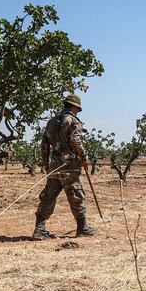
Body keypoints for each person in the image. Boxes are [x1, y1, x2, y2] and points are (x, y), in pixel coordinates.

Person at [33, 94, 95, 239]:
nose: (78, 112)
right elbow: (75, 140)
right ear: (75, 107)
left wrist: (45, 163)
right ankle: (82, 228)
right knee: (76, 194)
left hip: (54, 165)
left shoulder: (51, 122)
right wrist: (84, 158)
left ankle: (39, 229)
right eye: (78, 109)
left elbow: (44, 145)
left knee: (48, 196)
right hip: (70, 165)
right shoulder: (73, 121)